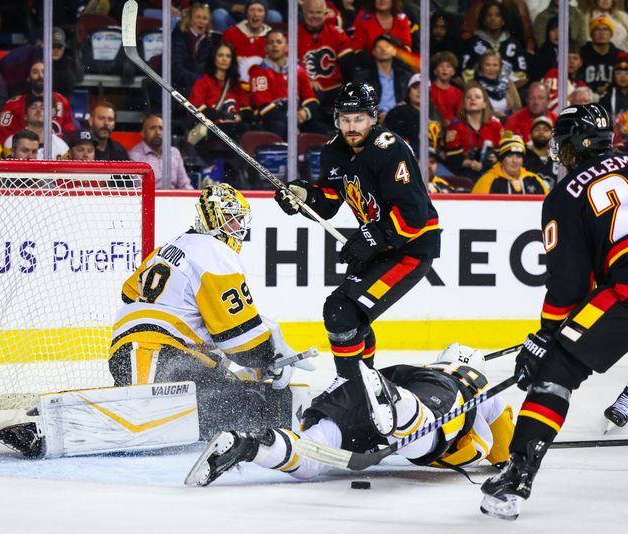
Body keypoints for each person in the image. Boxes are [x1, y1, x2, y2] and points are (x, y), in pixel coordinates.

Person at [0, 184, 314, 458]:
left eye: (239, 220)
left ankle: (58, 416)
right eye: (230, 219)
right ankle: (56, 421)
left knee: (220, 404)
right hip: (155, 351)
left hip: (138, 350)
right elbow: (237, 334)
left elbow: (130, 294)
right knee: (225, 409)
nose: (236, 228)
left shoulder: (172, 246)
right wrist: (267, 357)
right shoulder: (215, 252)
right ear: (212, 218)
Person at [479, 103, 628, 520]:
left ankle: (516, 478)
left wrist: (544, 338)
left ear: (573, 144)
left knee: (559, 368)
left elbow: (569, 286)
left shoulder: (566, 192)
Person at [274, 82, 440, 434]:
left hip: (411, 248)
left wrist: (369, 237)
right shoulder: (334, 151)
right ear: (337, 119)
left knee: (341, 311)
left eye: (359, 119)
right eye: (346, 119)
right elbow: (330, 202)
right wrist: (303, 196)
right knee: (350, 317)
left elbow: (413, 216)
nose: (352, 127)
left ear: (372, 118)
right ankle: (365, 389)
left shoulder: (389, 149)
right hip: (383, 245)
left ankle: (352, 393)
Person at [186, 344, 515, 487]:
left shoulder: (425, 367)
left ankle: (249, 445)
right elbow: (504, 450)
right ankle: (398, 406)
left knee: (310, 460)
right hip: (420, 393)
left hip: (357, 390)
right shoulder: (470, 380)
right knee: (430, 436)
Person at [248, 29, 322, 138]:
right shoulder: (259, 71)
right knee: (280, 126)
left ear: (286, 46)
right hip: (271, 122)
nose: (274, 45)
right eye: (270, 42)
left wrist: (304, 113)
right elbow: (265, 109)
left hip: (296, 119)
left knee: (321, 129)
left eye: (279, 42)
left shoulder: (298, 70)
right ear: (265, 48)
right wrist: (291, 123)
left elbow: (310, 99)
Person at [0, 61, 76, 145]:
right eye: (35, 72)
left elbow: (70, 134)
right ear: (28, 77)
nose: (40, 76)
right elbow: (3, 138)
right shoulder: (13, 105)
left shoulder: (61, 101)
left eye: (44, 72)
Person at [298, 0, 354, 118]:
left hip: (335, 88)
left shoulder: (336, 33)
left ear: (325, 14)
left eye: (318, 12)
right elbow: (288, 65)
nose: (314, 16)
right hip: (307, 90)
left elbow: (349, 65)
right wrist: (306, 80)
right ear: (303, 13)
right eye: (311, 12)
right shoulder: (295, 34)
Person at [460, 2, 528, 88]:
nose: (493, 19)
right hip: (479, 90)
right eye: (489, 15)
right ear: (484, 20)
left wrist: (506, 87)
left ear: (503, 20)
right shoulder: (473, 43)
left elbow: (521, 74)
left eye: (497, 15)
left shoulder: (514, 44)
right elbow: (466, 72)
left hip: (509, 90)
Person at [445, 81, 504, 180]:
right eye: (468, 97)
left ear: (485, 103)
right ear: (464, 104)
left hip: (492, 171)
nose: (473, 99)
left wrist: (495, 158)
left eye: (477, 97)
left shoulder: (495, 125)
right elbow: (453, 159)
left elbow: (503, 153)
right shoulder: (455, 126)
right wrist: (470, 163)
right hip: (464, 173)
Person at [352, 34, 411, 123]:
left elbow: (410, 102)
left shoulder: (405, 76)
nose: (383, 50)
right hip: (372, 121)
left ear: (394, 51)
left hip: (401, 120)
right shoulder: (362, 77)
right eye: (379, 47)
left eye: (387, 47)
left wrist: (391, 115)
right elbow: (356, 102)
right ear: (374, 52)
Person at [129, 114, 194, 190]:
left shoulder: (174, 152)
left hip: (174, 199)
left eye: (161, 128)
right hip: (148, 200)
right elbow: (138, 189)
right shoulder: (134, 156)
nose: (158, 132)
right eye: (152, 128)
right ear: (143, 133)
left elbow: (184, 185)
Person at [472, 133, 549, 194]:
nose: (514, 161)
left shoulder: (534, 180)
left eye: (518, 156)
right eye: (510, 156)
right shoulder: (487, 181)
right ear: (502, 159)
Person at [172, 3, 219, 97]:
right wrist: (200, 79)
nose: (201, 21)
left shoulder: (209, 41)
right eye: (197, 17)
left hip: (198, 85)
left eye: (205, 18)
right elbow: (176, 69)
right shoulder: (178, 36)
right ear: (190, 19)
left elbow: (210, 68)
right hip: (176, 85)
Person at [221, 0, 273, 85]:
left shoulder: (272, 37)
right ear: (246, 14)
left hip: (264, 85)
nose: (255, 14)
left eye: (260, 10)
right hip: (234, 83)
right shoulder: (231, 33)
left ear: (265, 14)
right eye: (252, 10)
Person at [580, 16, 623, 96]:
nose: (601, 33)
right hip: (585, 96)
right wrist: (594, 89)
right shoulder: (581, 53)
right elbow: (575, 79)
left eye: (605, 29)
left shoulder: (620, 55)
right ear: (591, 34)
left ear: (611, 34)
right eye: (597, 29)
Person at [474, 49, 522, 119]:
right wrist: (493, 114)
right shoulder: (473, 85)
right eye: (487, 65)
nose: (491, 69)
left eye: (495, 65)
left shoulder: (508, 83)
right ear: (481, 66)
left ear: (500, 67)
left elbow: (518, 108)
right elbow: (464, 112)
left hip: (508, 124)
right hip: (484, 125)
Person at [523, 115, 559, 187]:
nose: (541, 132)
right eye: (537, 129)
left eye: (546, 130)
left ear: (552, 135)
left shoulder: (559, 156)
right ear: (530, 135)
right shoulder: (523, 155)